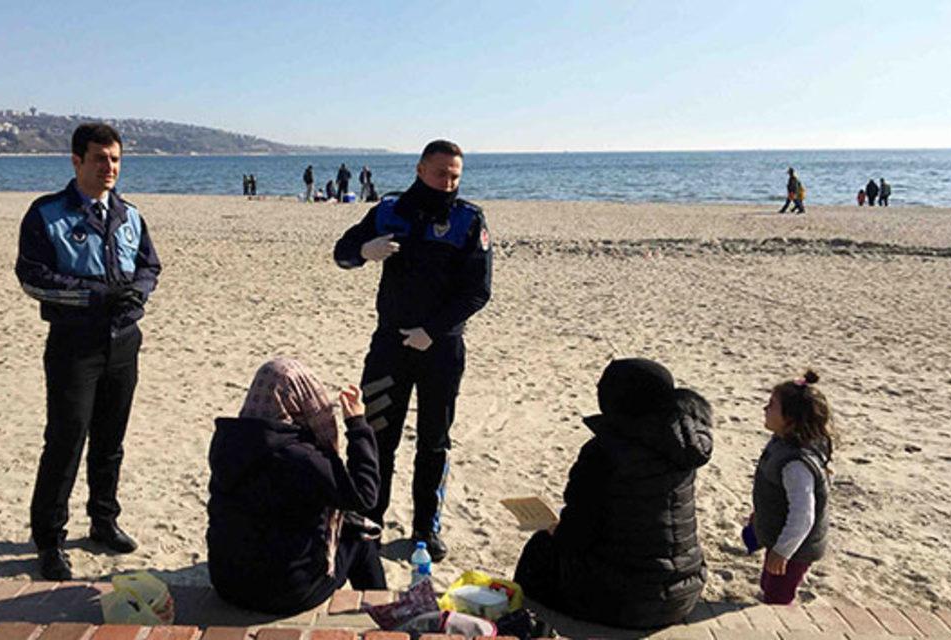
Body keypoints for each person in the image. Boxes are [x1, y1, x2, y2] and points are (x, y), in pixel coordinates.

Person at [15, 123, 162, 581]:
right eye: (100, 159)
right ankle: (50, 538)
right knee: (65, 441)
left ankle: (103, 520)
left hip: (123, 343)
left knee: (110, 440)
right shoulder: (47, 215)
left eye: (115, 159)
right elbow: (32, 277)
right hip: (74, 347)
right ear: (77, 161)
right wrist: (97, 297)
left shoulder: (130, 215)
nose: (109, 168)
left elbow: (149, 265)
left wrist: (138, 293)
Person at [333, 140, 492, 561]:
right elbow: (341, 253)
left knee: (434, 441)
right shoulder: (389, 210)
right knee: (378, 433)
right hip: (389, 345)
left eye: (456, 175)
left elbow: (478, 291)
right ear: (421, 169)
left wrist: (435, 330)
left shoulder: (468, 220)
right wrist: (363, 253)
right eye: (441, 173)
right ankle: (370, 516)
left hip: (441, 348)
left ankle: (427, 527)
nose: (449, 182)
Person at [514, 359, 712, 629]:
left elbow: (577, 535)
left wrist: (554, 531)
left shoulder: (603, 452)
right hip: (684, 593)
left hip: (626, 603)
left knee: (540, 550)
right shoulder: (684, 445)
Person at [207, 358, 386, 614]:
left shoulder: (227, 441)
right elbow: (364, 495)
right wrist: (357, 425)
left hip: (226, 582)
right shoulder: (299, 456)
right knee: (361, 537)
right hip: (286, 593)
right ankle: (384, 615)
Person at [747, 370, 834, 605]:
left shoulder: (796, 464)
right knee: (769, 582)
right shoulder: (782, 441)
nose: (765, 409)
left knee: (778, 595)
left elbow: (803, 515)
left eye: (772, 405)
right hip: (781, 534)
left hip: (797, 546)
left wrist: (783, 551)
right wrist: (761, 513)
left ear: (791, 419)